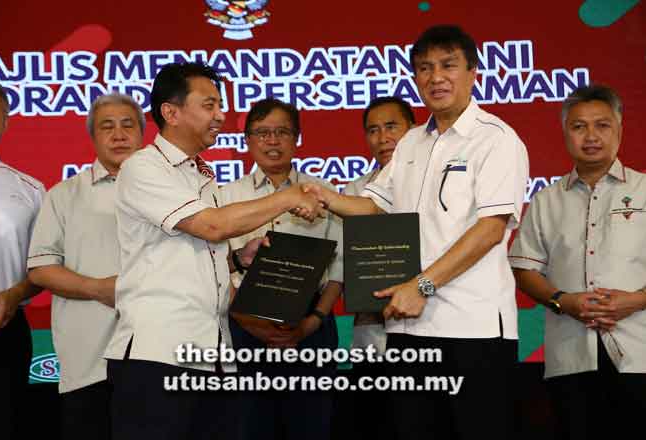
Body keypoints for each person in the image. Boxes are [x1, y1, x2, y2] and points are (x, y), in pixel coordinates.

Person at [303, 25, 529, 440]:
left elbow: (491, 230)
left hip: (471, 330)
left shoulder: (496, 140)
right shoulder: (410, 143)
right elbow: (372, 206)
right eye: (424, 68)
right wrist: (323, 196)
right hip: (409, 328)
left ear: (473, 72)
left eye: (448, 65)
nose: (436, 77)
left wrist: (421, 285)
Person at [102, 62, 323, 440]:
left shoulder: (201, 175)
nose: (221, 115)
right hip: (159, 357)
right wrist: (287, 196)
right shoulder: (143, 167)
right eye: (209, 105)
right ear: (171, 113)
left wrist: (238, 259)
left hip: (213, 353)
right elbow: (213, 226)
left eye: (220, 105)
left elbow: (193, 251)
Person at [509, 84, 646, 440]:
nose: (591, 136)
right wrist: (562, 301)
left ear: (619, 129)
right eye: (579, 126)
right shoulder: (545, 200)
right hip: (571, 356)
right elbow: (524, 269)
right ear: (566, 133)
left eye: (602, 125)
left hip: (639, 352)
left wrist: (635, 300)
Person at [219, 98, 343, 440]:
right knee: (249, 426)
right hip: (244, 322)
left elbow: (340, 267)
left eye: (282, 132)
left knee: (312, 426)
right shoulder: (225, 196)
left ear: (297, 138)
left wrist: (312, 322)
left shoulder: (324, 193)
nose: (272, 141)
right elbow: (215, 268)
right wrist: (251, 324)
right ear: (247, 140)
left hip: (311, 323)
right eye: (262, 132)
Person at [27, 93, 145, 440]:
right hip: (88, 359)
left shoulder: (172, 193)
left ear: (142, 134)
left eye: (128, 125)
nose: (119, 135)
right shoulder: (64, 195)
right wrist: (98, 289)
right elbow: (41, 268)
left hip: (156, 355)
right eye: (107, 127)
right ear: (93, 137)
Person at [344, 96, 414, 440]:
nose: (382, 137)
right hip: (371, 337)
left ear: (413, 130)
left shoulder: (433, 187)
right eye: (373, 130)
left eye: (391, 126)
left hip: (428, 330)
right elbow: (345, 263)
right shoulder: (355, 192)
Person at [0, 77, 44, 440]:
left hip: (3, 325)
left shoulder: (31, 190)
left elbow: (44, 268)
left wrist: (17, 293)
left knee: (2, 424)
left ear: (6, 120)